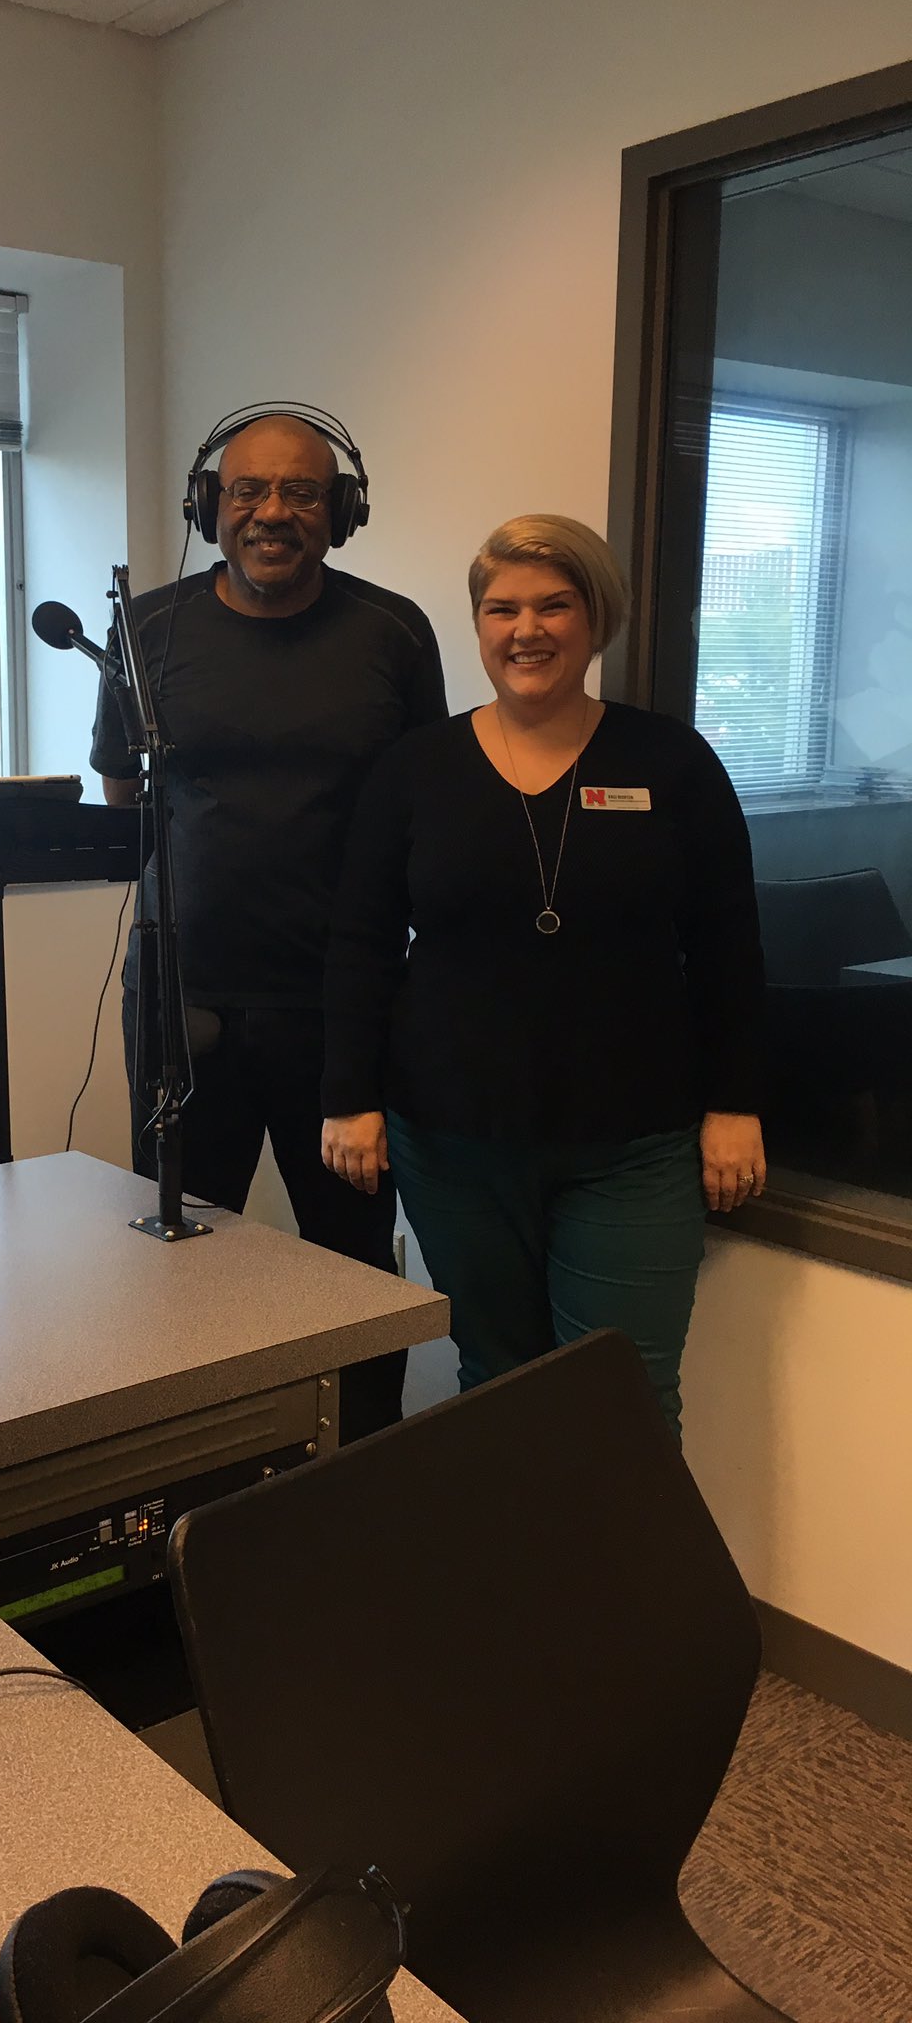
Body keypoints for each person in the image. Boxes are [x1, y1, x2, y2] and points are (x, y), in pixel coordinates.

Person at [321, 514, 766, 1436]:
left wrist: (737, 1103)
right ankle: (512, 1582)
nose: (527, 629)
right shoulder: (415, 769)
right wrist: (347, 1098)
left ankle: (627, 1587)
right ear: (479, 627)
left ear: (596, 617)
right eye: (503, 608)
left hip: (633, 1145)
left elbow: (729, 946)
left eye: (554, 605)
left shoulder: (671, 763)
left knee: (625, 1398)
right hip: (450, 1142)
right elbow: (362, 941)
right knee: (496, 1381)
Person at [91, 408, 447, 1438]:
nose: (272, 512)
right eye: (249, 490)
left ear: (341, 510)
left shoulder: (393, 631)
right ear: (210, 505)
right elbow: (124, 790)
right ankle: (201, 1472)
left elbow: (421, 803)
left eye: (300, 491)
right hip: (180, 999)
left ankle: (360, 1476)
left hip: (340, 1009)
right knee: (180, 1253)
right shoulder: (147, 627)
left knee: (353, 1263)